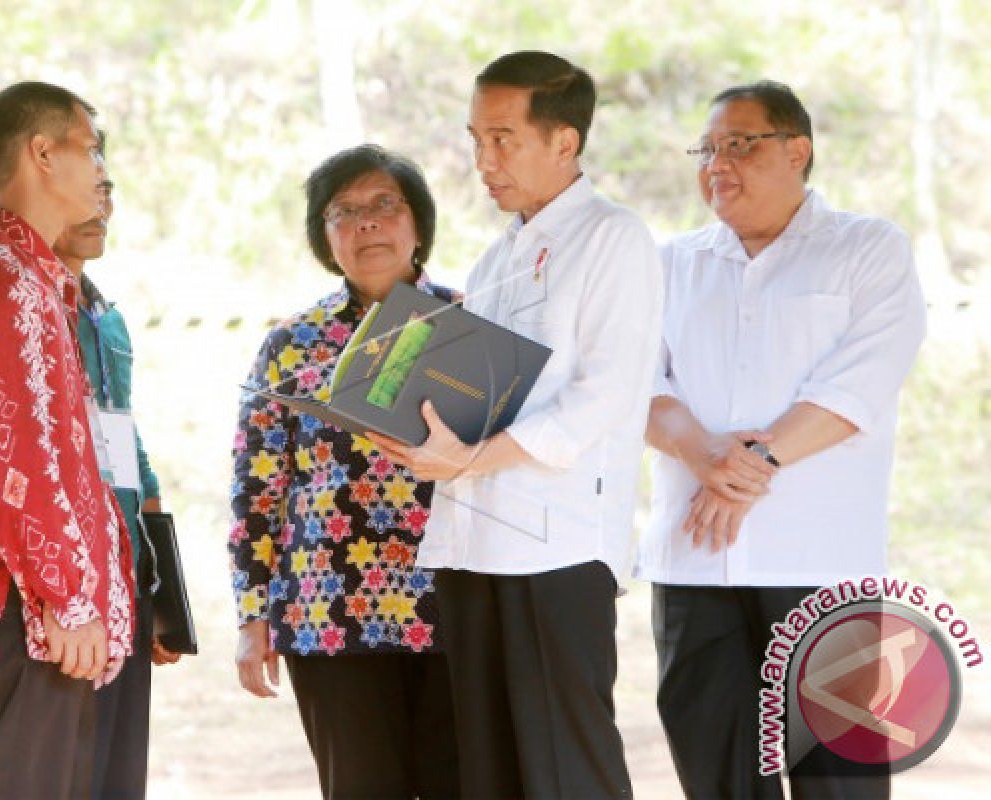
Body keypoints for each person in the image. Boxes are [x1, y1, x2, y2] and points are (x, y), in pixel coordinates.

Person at [371, 51, 663, 799]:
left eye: (503, 138)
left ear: (564, 142)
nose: (483, 160)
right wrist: (410, 425)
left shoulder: (614, 238)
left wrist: (469, 461)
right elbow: (475, 397)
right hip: (473, 545)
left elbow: (603, 396)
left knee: (566, 767)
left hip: (556, 547)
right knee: (490, 771)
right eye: (474, 138)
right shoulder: (497, 256)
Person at [638, 80, 926, 799]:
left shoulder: (867, 248)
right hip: (695, 564)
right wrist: (705, 455)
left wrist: (753, 463)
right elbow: (638, 388)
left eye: (740, 143)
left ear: (797, 150)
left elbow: (860, 384)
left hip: (822, 562)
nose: (717, 163)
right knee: (717, 777)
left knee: (840, 782)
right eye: (707, 148)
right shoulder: (670, 264)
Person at [0, 81, 135, 799]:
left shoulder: (35, 275)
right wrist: (68, 597)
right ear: (43, 153)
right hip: (27, 602)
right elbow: (19, 462)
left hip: (41, 596)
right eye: (92, 147)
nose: (104, 169)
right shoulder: (5, 279)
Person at [229, 144, 460, 800]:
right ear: (322, 237)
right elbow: (257, 487)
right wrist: (253, 616)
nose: (366, 224)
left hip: (454, 610)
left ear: (418, 225)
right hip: (329, 614)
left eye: (385, 205)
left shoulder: (470, 324)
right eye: (344, 212)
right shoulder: (290, 344)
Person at [51, 138, 180, 799]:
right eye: (84, 192)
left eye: (107, 194)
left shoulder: (108, 318)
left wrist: (158, 590)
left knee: (115, 772)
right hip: (59, 583)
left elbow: (130, 450)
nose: (98, 208)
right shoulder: (27, 309)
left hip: (123, 577)